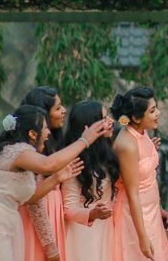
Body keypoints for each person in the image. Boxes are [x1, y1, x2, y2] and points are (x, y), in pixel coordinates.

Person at [0, 104, 110, 261]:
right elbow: (49, 164)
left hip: (1, 218)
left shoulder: (22, 156)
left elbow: (31, 198)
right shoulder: (18, 150)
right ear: (33, 134)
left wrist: (56, 178)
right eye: (45, 128)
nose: (48, 134)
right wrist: (84, 140)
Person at [111, 86, 168, 261]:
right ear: (136, 118)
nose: (158, 113)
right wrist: (142, 237)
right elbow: (133, 194)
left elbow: (148, 178)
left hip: (151, 211)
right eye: (152, 111)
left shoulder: (142, 133)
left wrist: (158, 208)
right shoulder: (127, 145)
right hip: (134, 215)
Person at [61, 101, 120, 261]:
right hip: (83, 236)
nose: (111, 121)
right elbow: (68, 208)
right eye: (104, 118)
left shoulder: (108, 154)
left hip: (107, 230)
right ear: (89, 126)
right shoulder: (75, 161)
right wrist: (91, 214)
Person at [20, 86, 68, 261]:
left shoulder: (54, 142)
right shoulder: (32, 149)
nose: (64, 111)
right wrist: (50, 246)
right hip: (37, 220)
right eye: (58, 108)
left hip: (55, 214)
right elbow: (33, 204)